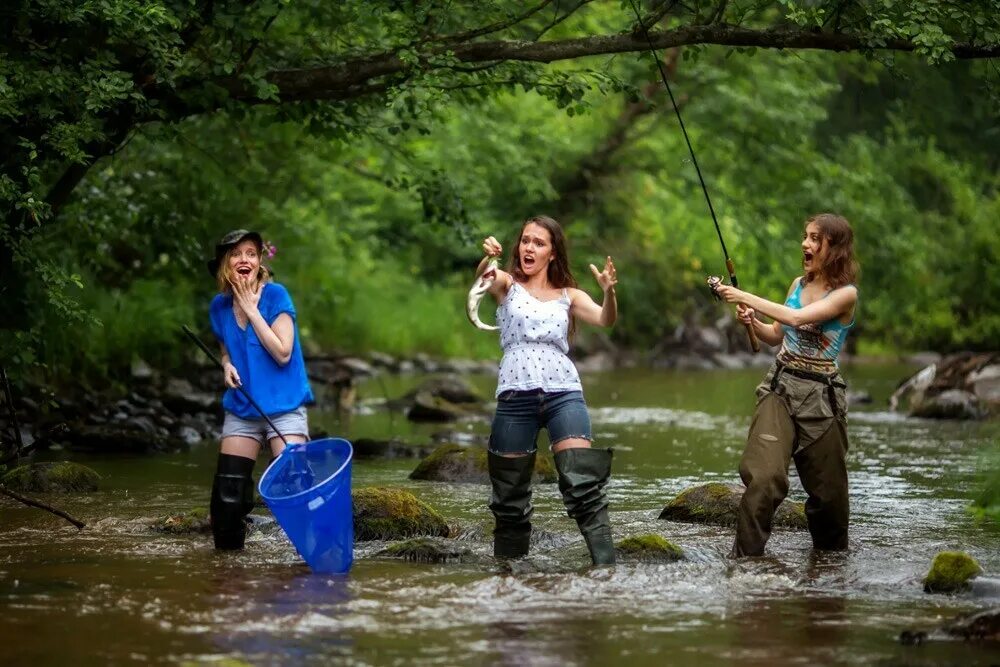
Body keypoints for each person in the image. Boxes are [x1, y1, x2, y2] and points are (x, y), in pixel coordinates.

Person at [476, 215, 619, 565]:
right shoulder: (507, 284)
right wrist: (488, 258)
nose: (529, 247)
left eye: (539, 243)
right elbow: (484, 278)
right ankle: (509, 578)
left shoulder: (570, 295)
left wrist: (609, 291)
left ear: (552, 253)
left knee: (582, 483)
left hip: (563, 392)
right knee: (509, 499)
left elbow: (605, 319)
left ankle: (607, 570)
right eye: (525, 240)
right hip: (514, 395)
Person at [715, 213, 859, 557]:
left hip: (822, 399)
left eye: (814, 239)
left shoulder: (846, 295)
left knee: (829, 499)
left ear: (834, 248)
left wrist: (742, 296)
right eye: (805, 237)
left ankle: (830, 571)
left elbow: (795, 318)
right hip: (779, 388)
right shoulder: (797, 285)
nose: (805, 244)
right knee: (764, 478)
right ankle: (746, 561)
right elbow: (775, 335)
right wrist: (753, 321)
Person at [206, 230, 314, 550]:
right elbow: (227, 349)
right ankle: (231, 576)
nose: (244, 259)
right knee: (226, 502)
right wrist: (226, 365)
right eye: (236, 254)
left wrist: (252, 310)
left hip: (284, 406)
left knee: (295, 491)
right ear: (226, 263)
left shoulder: (276, 296)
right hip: (242, 406)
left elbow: (283, 353)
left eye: (251, 253)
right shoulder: (219, 306)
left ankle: (306, 569)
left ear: (259, 262)